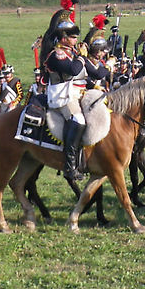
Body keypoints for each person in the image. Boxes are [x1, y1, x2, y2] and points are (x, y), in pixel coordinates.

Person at [44, 20, 90, 180]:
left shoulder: (70, 52)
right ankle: (70, 166)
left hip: (74, 93)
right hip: (62, 96)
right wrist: (82, 57)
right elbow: (73, 69)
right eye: (73, 37)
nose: (76, 40)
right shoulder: (57, 54)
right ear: (63, 38)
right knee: (79, 120)